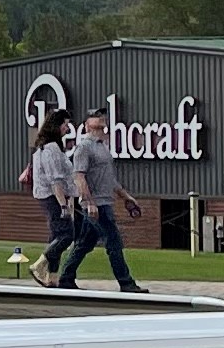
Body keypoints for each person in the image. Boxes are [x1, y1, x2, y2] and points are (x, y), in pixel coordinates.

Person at [62, 109, 142, 290]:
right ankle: (126, 282)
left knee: (84, 243)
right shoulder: (84, 147)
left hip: (106, 201)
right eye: (96, 117)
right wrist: (89, 202)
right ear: (87, 124)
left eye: (102, 117)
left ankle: (66, 278)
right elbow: (79, 176)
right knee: (114, 241)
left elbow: (109, 178)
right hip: (96, 204)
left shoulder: (102, 146)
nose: (101, 120)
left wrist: (125, 196)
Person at [23, 111, 81, 285]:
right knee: (67, 235)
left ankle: (52, 278)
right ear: (56, 126)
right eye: (65, 124)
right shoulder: (51, 149)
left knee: (56, 236)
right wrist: (64, 205)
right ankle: (40, 264)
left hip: (53, 196)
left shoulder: (45, 147)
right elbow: (55, 179)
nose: (67, 128)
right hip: (53, 197)